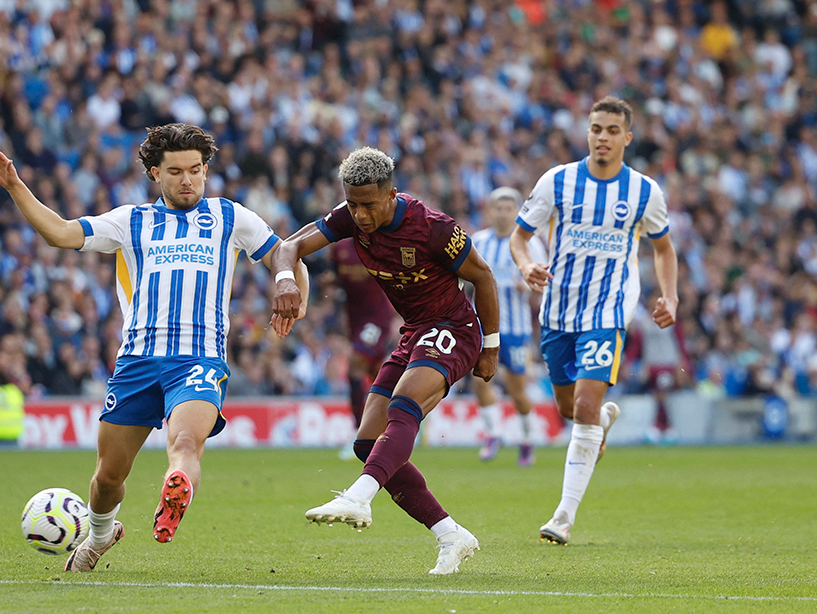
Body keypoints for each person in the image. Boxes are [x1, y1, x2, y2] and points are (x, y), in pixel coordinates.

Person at [0, 124, 309, 571]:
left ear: (206, 170)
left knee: (187, 443)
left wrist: (292, 292)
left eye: (196, 170)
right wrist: (16, 186)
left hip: (199, 358)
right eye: (176, 171)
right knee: (108, 477)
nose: (188, 180)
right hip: (137, 361)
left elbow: (285, 253)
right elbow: (59, 233)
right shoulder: (130, 221)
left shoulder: (231, 217)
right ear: (156, 173)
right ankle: (100, 535)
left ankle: (176, 487)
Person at [273, 146, 500, 575]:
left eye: (368, 204)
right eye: (353, 204)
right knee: (366, 443)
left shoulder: (433, 228)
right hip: (415, 332)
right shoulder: (347, 216)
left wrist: (490, 346)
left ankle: (358, 496)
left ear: (391, 194)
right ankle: (450, 534)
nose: (359, 215)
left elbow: (483, 277)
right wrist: (286, 281)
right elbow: (289, 248)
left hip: (454, 327)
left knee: (403, 405)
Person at [510, 96, 678, 545]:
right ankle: (599, 423)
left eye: (610, 130)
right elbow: (520, 237)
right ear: (587, 133)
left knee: (582, 407)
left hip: (607, 311)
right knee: (571, 410)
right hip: (557, 312)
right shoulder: (557, 181)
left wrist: (670, 296)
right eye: (595, 129)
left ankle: (563, 516)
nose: (601, 137)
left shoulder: (645, 192)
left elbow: (663, 248)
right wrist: (527, 266)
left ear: (626, 137)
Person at [470, 187, 547, 465]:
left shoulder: (529, 244)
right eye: (498, 209)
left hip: (515, 330)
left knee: (516, 390)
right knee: (479, 382)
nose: (503, 214)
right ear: (489, 211)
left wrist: (527, 285)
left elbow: (544, 281)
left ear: (517, 212)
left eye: (508, 209)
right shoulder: (478, 241)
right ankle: (493, 433)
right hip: (482, 328)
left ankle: (527, 440)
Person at [327, 238, 397, 459]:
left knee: (354, 367)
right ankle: (402, 420)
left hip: (377, 317)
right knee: (378, 375)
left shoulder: (379, 244)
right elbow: (337, 281)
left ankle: (360, 435)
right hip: (355, 320)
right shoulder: (339, 248)